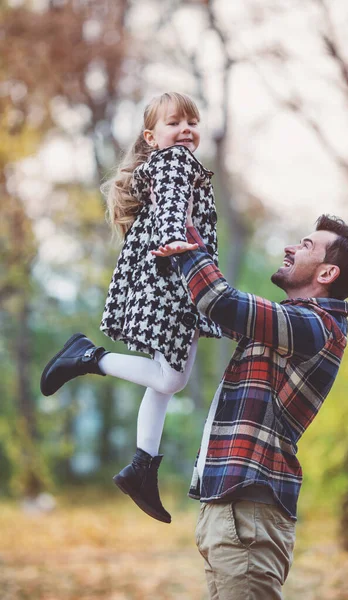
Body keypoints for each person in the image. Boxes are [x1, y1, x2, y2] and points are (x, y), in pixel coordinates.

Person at [152, 214, 348, 599]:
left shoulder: (315, 327)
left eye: (306, 245)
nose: (290, 247)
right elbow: (211, 312)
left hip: (247, 511)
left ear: (326, 273)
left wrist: (185, 231)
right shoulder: (291, 326)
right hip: (231, 509)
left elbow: (220, 301)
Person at [40, 92, 221, 524]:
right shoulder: (176, 162)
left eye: (191, 122)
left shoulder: (171, 164)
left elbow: (171, 203)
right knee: (171, 378)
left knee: (164, 381)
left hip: (172, 276)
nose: (185, 130)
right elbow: (173, 207)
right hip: (174, 277)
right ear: (152, 136)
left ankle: (143, 465)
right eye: (174, 123)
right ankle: (88, 358)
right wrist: (175, 240)